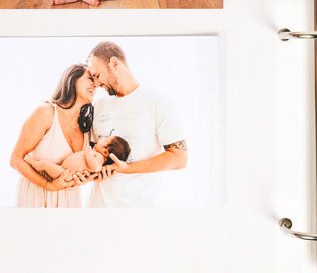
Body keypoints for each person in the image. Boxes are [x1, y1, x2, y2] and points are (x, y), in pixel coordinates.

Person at [85, 40, 187, 208]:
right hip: (97, 208)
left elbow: (179, 158)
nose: (96, 83)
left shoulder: (157, 102)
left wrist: (127, 168)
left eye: (97, 75)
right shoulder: (98, 106)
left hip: (138, 210)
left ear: (114, 63)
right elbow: (90, 155)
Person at [10, 63, 97, 208]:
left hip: (69, 200)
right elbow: (15, 160)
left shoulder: (87, 128)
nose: (96, 85)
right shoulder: (46, 113)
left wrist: (84, 178)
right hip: (37, 197)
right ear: (72, 79)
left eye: (96, 82)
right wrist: (47, 185)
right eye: (90, 79)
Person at [25, 134, 131, 177]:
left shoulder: (98, 158)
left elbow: (96, 168)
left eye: (106, 139)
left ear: (105, 152)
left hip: (65, 175)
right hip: (63, 171)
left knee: (45, 164)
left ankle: (32, 162)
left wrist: (88, 154)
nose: (102, 138)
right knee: (48, 164)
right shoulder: (95, 153)